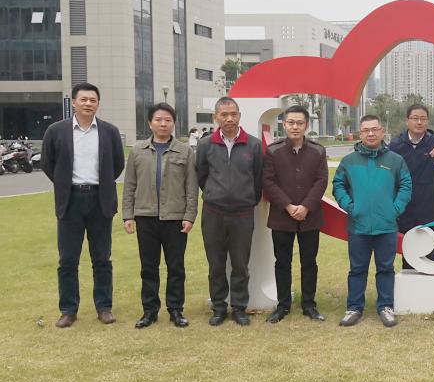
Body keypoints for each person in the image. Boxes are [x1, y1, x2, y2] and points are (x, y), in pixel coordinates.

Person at [41, 82, 125, 328]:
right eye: (84, 99)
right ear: (74, 102)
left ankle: (104, 307)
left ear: (98, 103)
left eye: (93, 100)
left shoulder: (109, 132)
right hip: (70, 201)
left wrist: (101, 184)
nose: (88, 103)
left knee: (102, 258)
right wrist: (65, 184)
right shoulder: (56, 131)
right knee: (68, 259)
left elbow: (117, 164)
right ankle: (68, 310)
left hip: (100, 200)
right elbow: (48, 163)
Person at [122, 103, 198, 329]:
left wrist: (189, 216)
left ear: (174, 123)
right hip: (145, 217)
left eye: (167, 120)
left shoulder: (185, 151)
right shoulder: (138, 151)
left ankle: (175, 309)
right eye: (158, 119)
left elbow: (191, 187)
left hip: (175, 218)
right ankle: (149, 311)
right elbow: (129, 185)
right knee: (148, 267)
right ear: (150, 123)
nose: (163, 124)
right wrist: (128, 215)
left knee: (176, 267)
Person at [333, 114, 412, 328]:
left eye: (374, 129)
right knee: (357, 269)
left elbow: (406, 185)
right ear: (360, 133)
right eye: (366, 130)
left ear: (382, 132)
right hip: (358, 226)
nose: (370, 133)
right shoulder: (349, 161)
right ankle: (354, 308)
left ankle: (385, 307)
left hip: (386, 226)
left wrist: (394, 209)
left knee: (385, 268)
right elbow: (338, 185)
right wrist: (350, 207)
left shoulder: (395, 160)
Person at [196, 96, 264, 326]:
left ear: (239, 116)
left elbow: (258, 179)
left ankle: (239, 308)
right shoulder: (206, 145)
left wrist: (246, 199)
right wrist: (215, 194)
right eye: (224, 115)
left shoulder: (253, 145)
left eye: (233, 114)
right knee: (215, 264)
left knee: (240, 264)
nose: (229, 119)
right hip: (213, 213)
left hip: (243, 214)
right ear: (216, 117)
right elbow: (202, 176)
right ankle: (218, 307)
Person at [262, 105, 329, 323]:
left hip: (310, 217)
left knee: (309, 262)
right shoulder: (273, 151)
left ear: (306, 125)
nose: (295, 127)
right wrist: (288, 206)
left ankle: (309, 305)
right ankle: (283, 306)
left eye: (299, 123)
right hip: (282, 217)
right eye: (290, 122)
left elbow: (321, 180)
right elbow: (268, 181)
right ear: (284, 124)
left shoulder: (318, 151)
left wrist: (306, 206)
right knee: (282, 262)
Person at [388, 104, 434, 268]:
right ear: (407, 121)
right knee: (408, 255)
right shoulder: (395, 145)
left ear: (427, 121)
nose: (419, 122)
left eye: (423, 119)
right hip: (404, 208)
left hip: (428, 208)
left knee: (430, 255)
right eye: (415, 118)